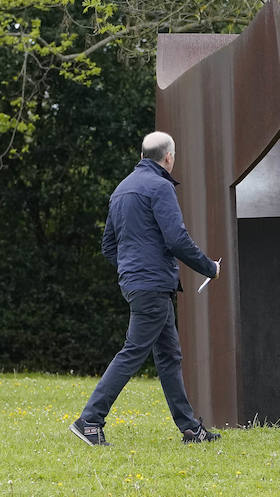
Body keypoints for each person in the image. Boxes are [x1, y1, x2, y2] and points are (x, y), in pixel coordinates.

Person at [70, 131, 221, 446]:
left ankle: (190, 429)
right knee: (134, 351)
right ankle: (90, 419)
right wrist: (210, 267)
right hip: (151, 284)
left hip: (139, 282)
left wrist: (131, 267)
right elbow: (176, 239)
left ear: (142, 156)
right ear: (168, 158)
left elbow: (108, 245)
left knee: (168, 355)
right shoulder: (160, 187)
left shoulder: (121, 189)